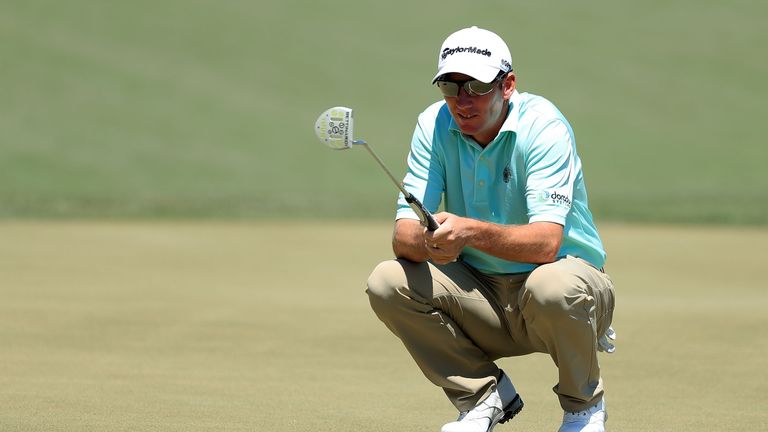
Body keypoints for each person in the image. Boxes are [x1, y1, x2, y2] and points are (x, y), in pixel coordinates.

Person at [365, 26, 616, 432]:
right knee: (387, 281)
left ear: (508, 85)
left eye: (477, 86)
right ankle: (483, 398)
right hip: (480, 294)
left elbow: (547, 243)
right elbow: (403, 237)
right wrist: (432, 240)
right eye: (450, 84)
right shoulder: (433, 124)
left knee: (552, 286)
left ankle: (583, 409)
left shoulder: (544, 125)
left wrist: (467, 233)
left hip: (568, 287)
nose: (461, 100)